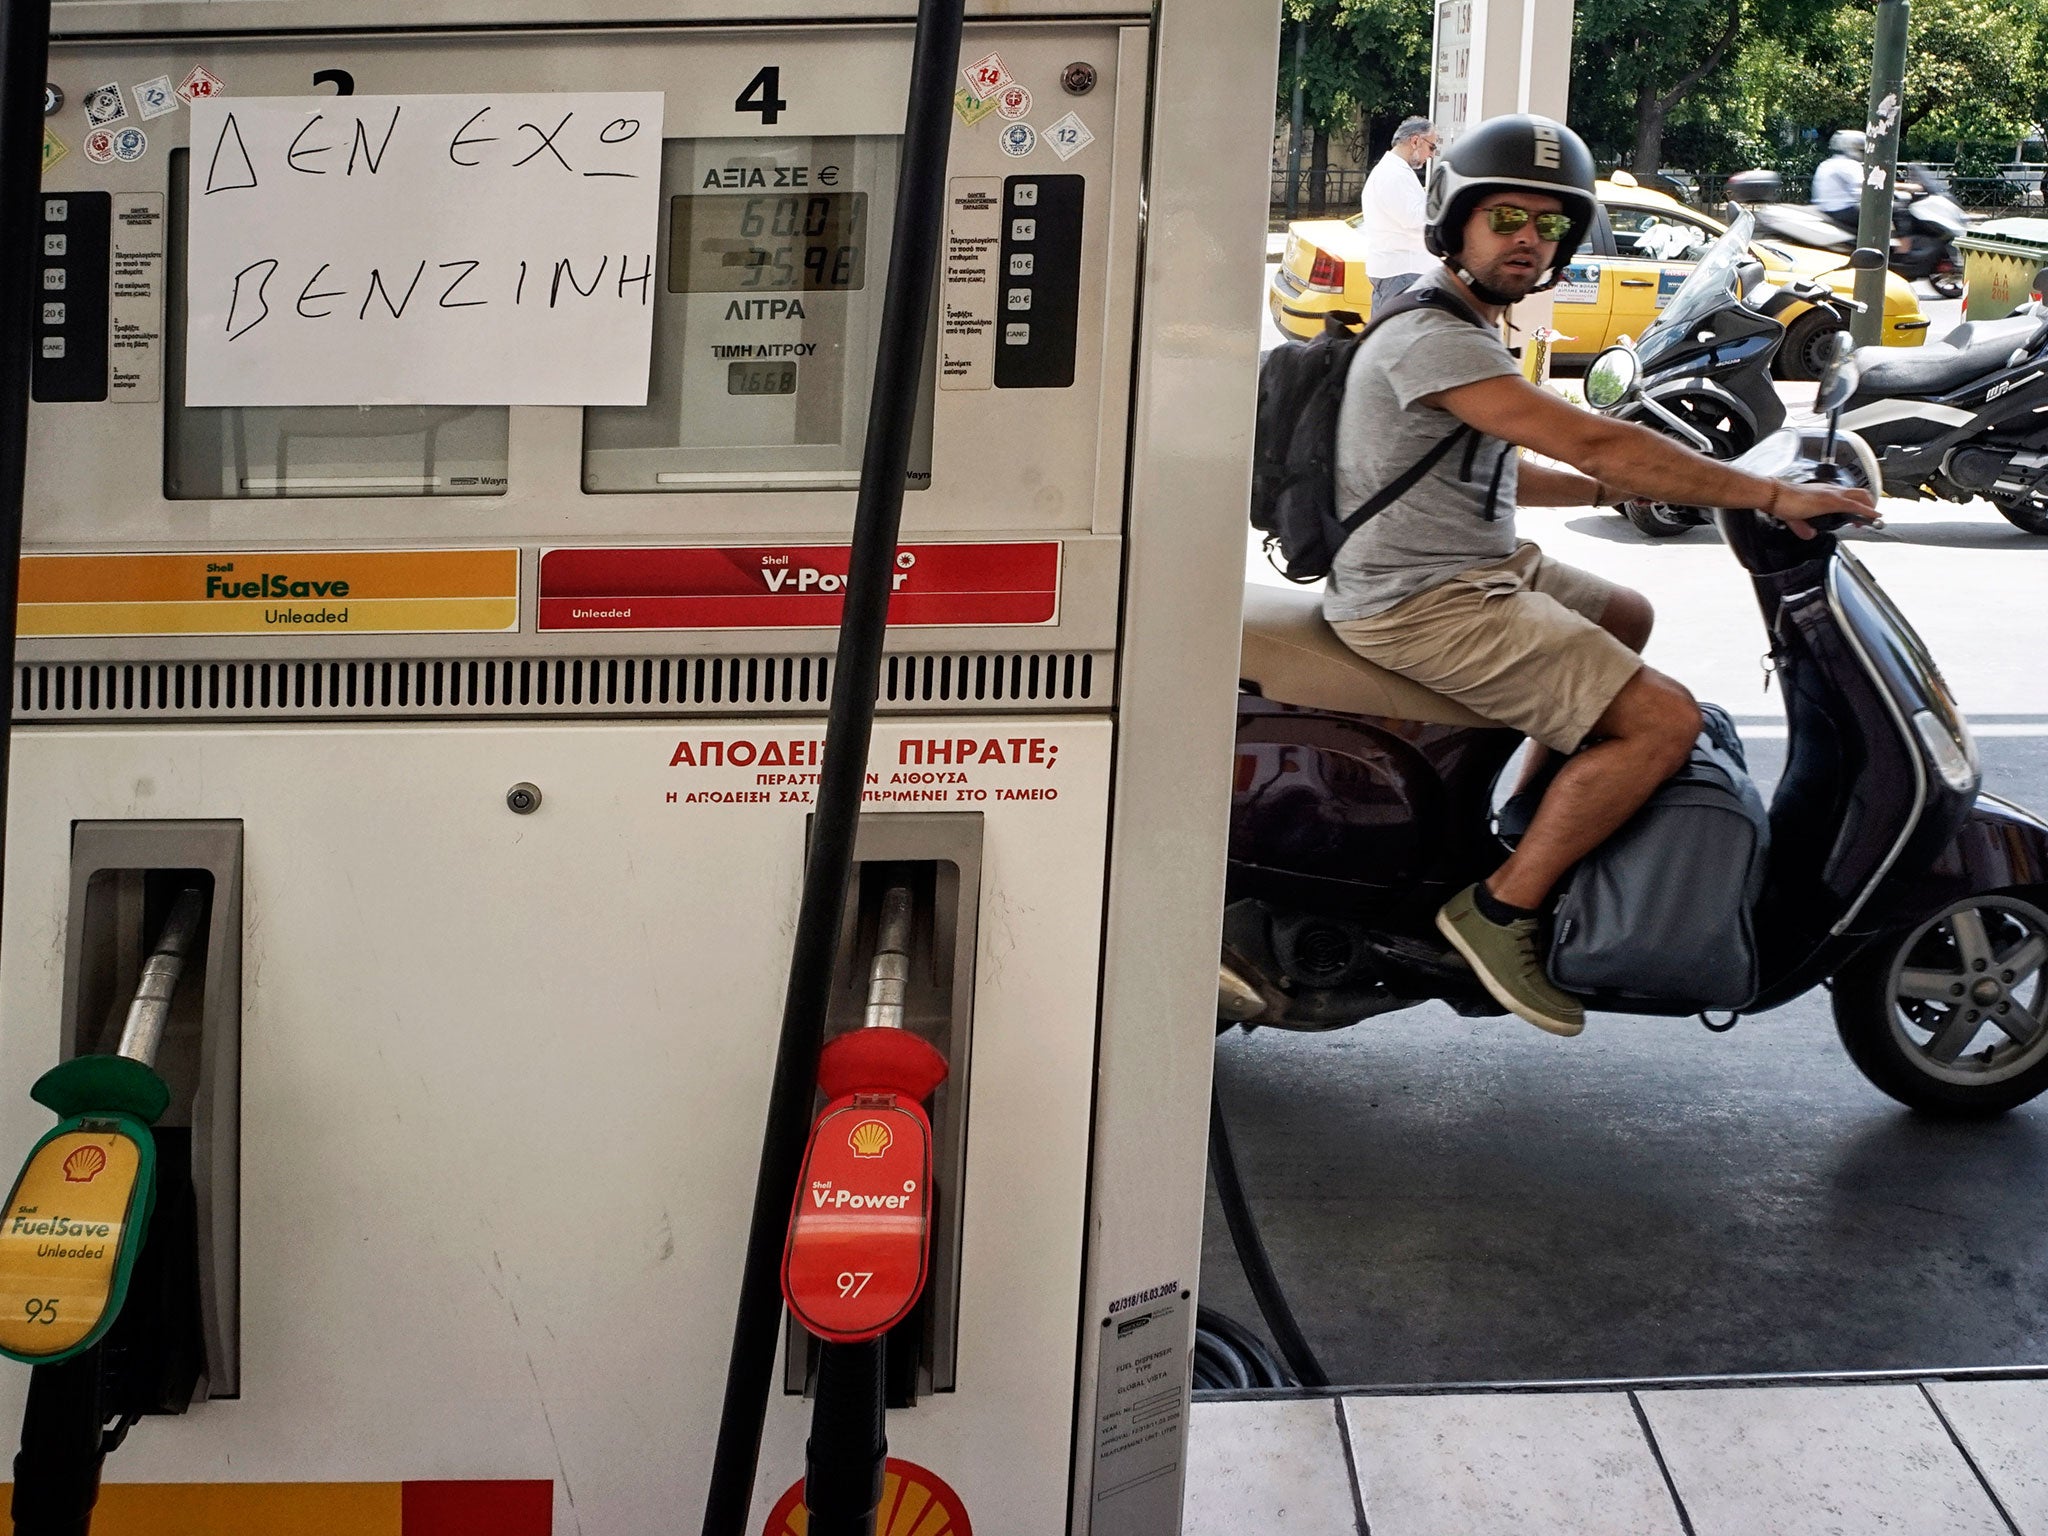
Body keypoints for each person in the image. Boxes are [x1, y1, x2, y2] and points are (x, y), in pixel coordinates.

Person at [1323, 113, 1876, 1037]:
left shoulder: (1462, 321)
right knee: (1664, 720)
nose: (1526, 241)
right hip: (1422, 602)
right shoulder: (1435, 334)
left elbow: (1503, 467)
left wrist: (1608, 486)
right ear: (1454, 222)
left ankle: (1538, 813)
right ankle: (1501, 912)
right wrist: (1762, 495)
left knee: (1626, 613)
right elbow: (1587, 432)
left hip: (1476, 568)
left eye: (1547, 226)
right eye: (1505, 219)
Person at [1361, 117, 1439, 310]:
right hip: (1402, 272)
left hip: (1398, 271)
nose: (1431, 155)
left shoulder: (1393, 171)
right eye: (1432, 147)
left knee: (1388, 336)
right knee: (1397, 337)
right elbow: (1414, 218)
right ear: (1415, 141)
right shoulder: (1394, 174)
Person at [1813, 128, 1867, 234]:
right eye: (1860, 149)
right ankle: (1901, 250)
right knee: (1893, 212)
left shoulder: (1828, 163)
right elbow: (1866, 188)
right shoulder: (1849, 164)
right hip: (1842, 209)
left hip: (1827, 209)